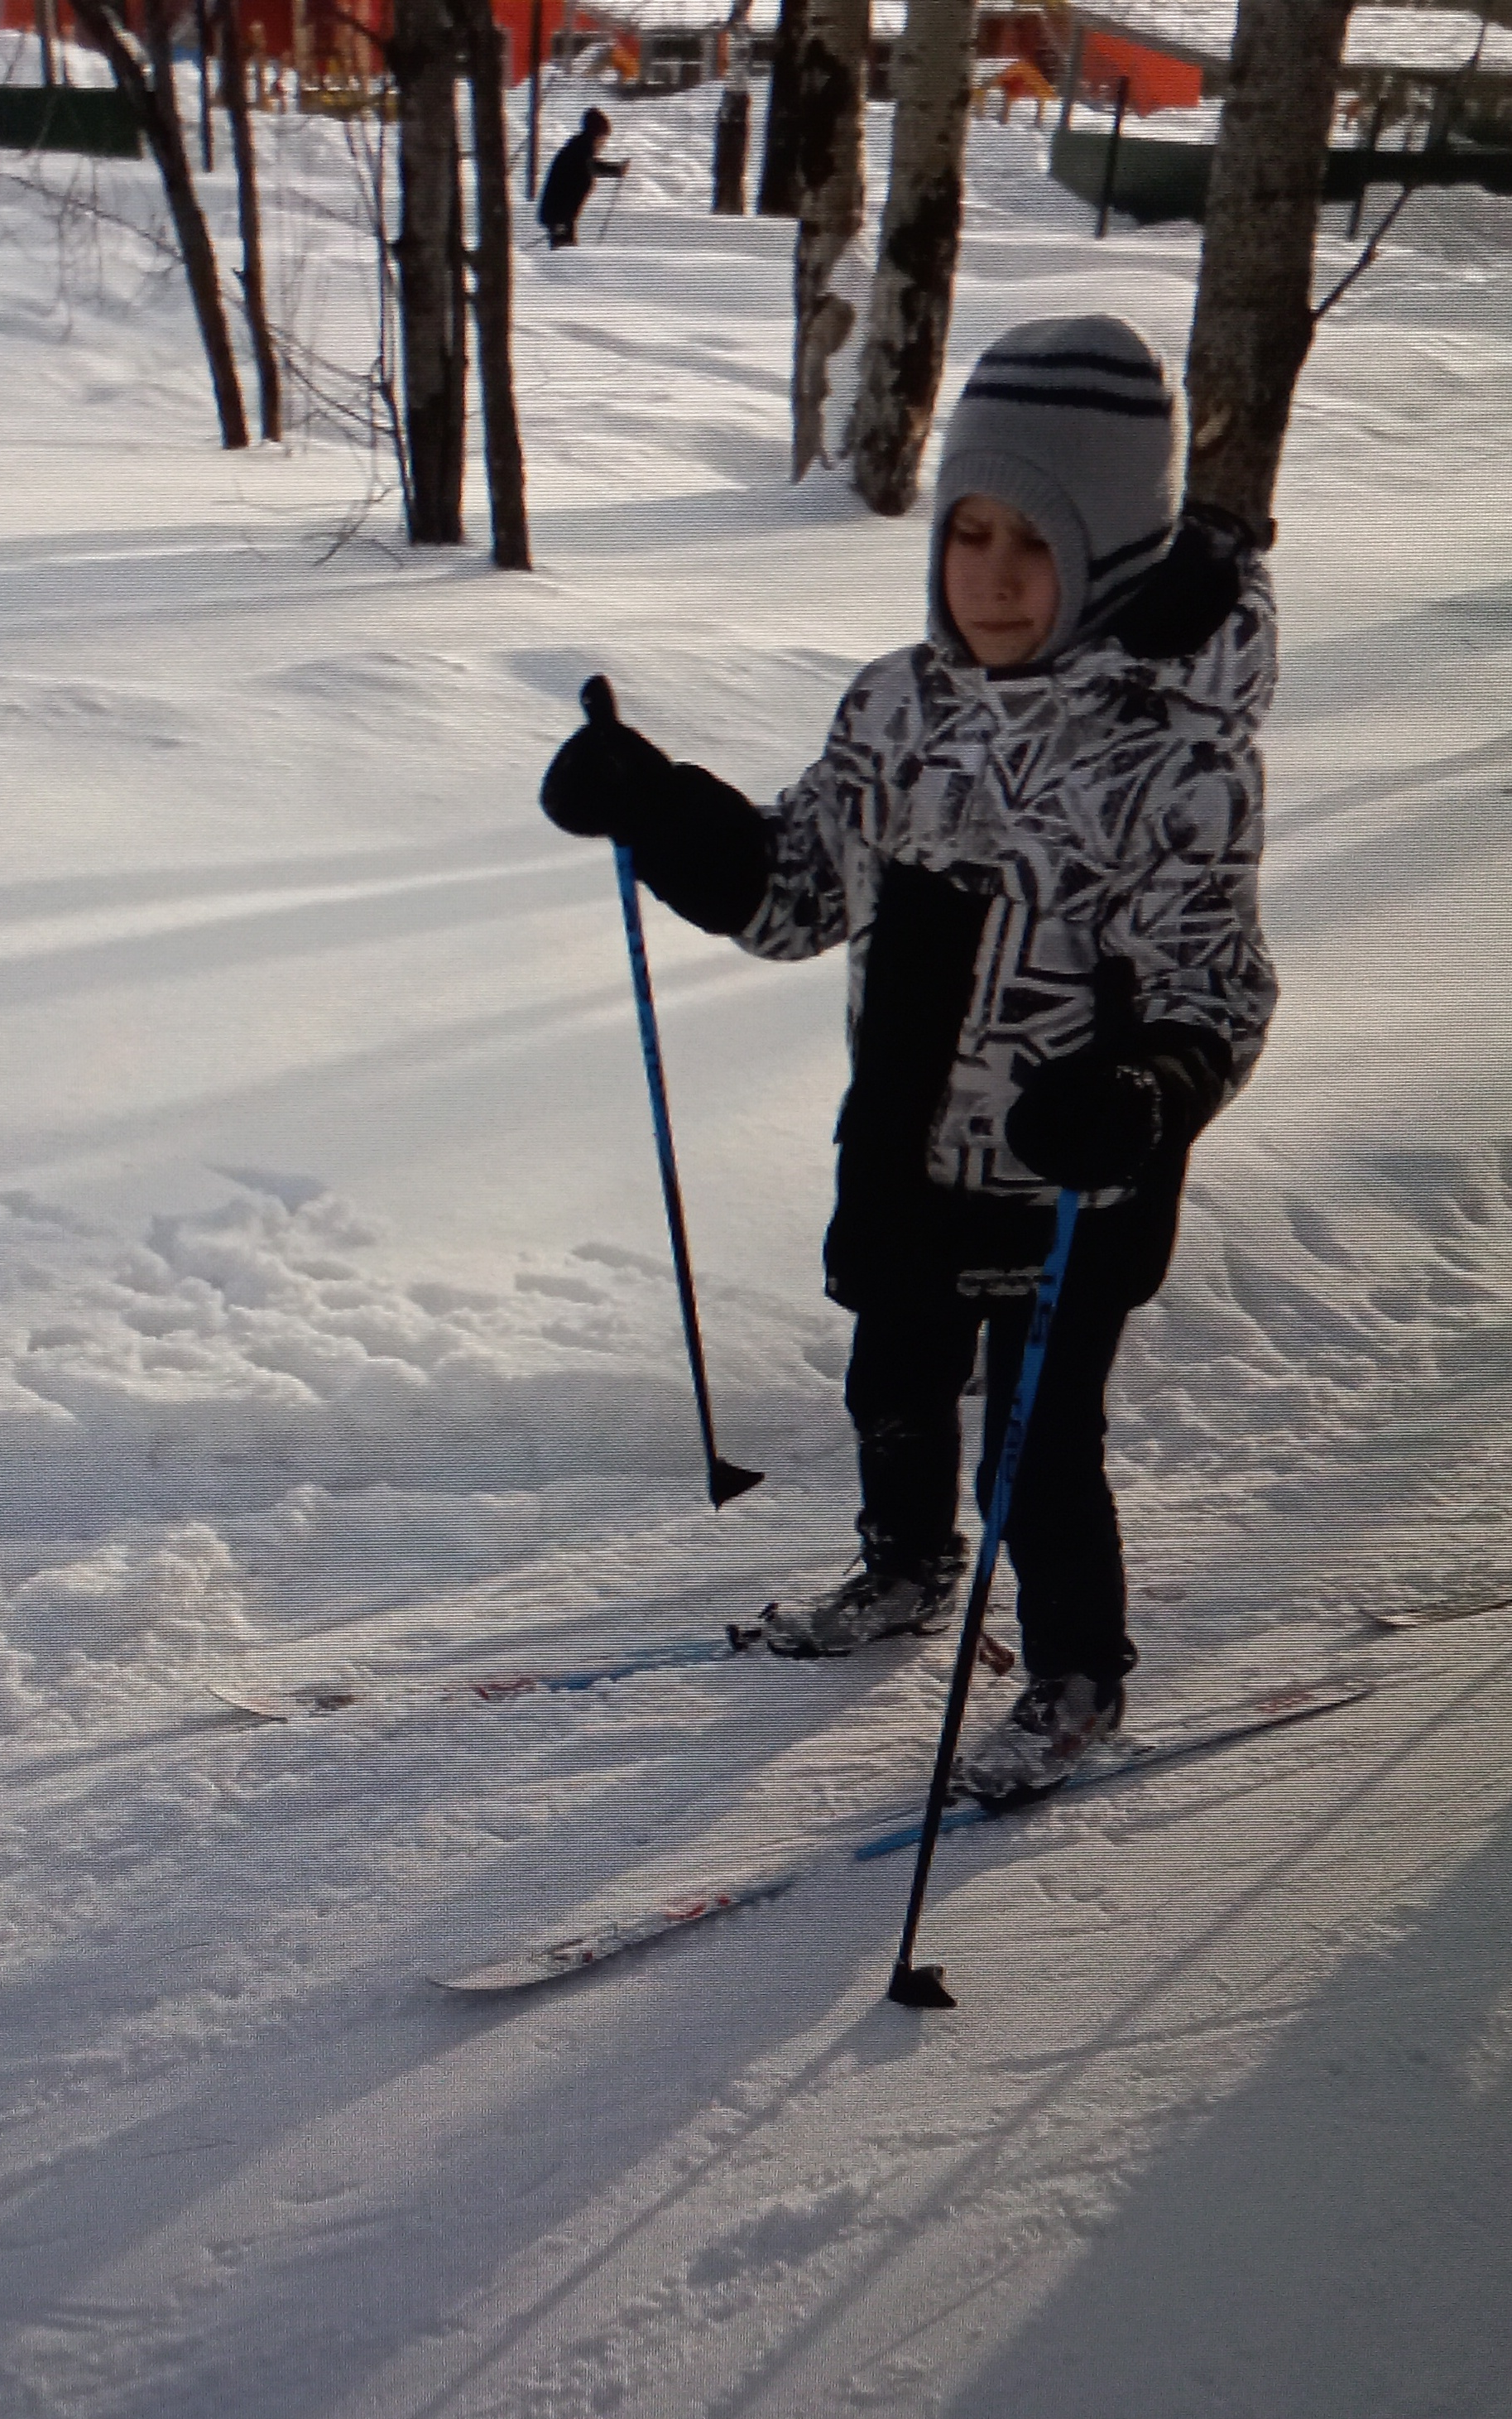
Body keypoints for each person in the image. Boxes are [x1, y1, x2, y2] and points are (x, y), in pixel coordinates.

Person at [540, 315, 1279, 1801]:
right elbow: (798, 888)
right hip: (903, 1143)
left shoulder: (1173, 756)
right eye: (969, 531)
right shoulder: (893, 704)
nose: (992, 575)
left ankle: (1074, 1671)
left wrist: (1142, 1095)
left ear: (1115, 551)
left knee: (1033, 1446)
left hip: (1072, 1178)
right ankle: (900, 1566)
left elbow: (1218, 989)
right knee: (889, 1377)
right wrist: (660, 811)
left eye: (1036, 542)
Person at [537, 108, 627, 249]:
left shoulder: (579, 146)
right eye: (603, 138)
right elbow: (592, 167)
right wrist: (616, 169)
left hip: (560, 213)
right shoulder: (582, 147)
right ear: (596, 135)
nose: (604, 143)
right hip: (558, 213)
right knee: (565, 251)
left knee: (565, 249)